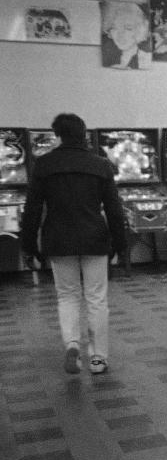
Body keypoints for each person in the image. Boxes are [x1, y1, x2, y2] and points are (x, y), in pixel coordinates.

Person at [20, 113, 127, 375]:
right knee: (96, 299)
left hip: (58, 240)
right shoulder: (100, 165)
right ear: (84, 134)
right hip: (94, 238)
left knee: (67, 295)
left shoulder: (44, 165)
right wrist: (120, 246)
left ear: (57, 136)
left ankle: (72, 345)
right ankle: (98, 358)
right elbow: (114, 210)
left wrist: (28, 247)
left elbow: (32, 210)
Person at [101, 1, 151, 69]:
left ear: (140, 30)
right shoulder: (107, 58)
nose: (120, 35)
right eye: (114, 28)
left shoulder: (146, 59)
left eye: (128, 28)